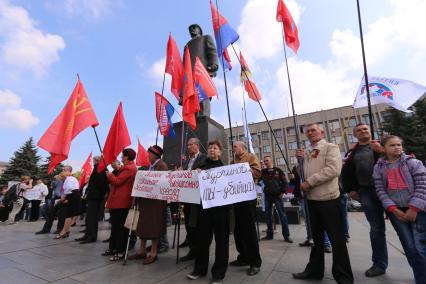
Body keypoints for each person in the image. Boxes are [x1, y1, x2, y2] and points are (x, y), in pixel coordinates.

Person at [293, 123, 353, 283]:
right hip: (312, 201)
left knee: (337, 240)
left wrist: (310, 182)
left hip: (329, 200)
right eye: (308, 131)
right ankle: (314, 270)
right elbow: (303, 175)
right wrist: (300, 161)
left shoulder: (330, 147)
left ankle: (343, 276)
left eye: (314, 130)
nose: (310, 132)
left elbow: (334, 169)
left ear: (322, 132)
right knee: (316, 240)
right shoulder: (307, 153)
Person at [373, 135, 426, 284]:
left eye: (399, 145)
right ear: (383, 149)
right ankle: (420, 277)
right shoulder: (379, 167)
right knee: (409, 248)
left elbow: (422, 186)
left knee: (421, 247)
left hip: (418, 211)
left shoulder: (413, 163)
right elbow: (380, 190)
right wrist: (393, 209)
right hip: (397, 212)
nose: (397, 147)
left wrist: (414, 208)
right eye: (392, 145)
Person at [341, 123, 388, 277]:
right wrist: (351, 189)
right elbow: (346, 172)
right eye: (359, 130)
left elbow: (397, 161)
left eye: (365, 129)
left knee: (403, 228)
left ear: (370, 131)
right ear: (355, 134)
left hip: (389, 192)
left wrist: (381, 152)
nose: (362, 131)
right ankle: (379, 264)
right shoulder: (352, 152)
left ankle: (419, 265)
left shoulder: (383, 146)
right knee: (376, 229)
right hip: (366, 192)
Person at [187, 140, 230, 284]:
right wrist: (196, 174)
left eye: (215, 148)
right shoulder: (201, 166)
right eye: (210, 147)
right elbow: (192, 184)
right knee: (202, 240)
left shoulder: (226, 169)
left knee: (222, 242)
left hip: (221, 211)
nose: (212, 150)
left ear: (220, 152)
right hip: (204, 209)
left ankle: (218, 274)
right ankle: (200, 268)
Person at [128, 145, 167, 265]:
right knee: (143, 226)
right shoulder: (149, 167)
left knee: (154, 227)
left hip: (156, 203)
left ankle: (154, 253)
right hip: (145, 201)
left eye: (149, 153)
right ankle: (142, 251)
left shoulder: (162, 166)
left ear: (155, 154)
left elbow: (161, 183)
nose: (147, 155)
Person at [229, 141, 262, 276]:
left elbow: (257, 173)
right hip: (235, 198)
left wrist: (244, 169)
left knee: (248, 229)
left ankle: (255, 262)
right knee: (237, 229)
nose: (233, 149)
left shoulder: (251, 157)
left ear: (242, 148)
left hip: (247, 197)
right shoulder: (232, 162)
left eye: (235, 147)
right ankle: (243, 257)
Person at [103, 149, 137, 261]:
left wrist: (109, 175)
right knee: (116, 227)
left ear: (127, 157)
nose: (121, 157)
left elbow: (117, 181)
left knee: (119, 229)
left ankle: (120, 251)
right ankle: (113, 248)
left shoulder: (128, 168)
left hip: (121, 202)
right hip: (119, 201)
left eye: (123, 155)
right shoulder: (127, 167)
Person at [180, 24, 218, 117]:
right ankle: (192, 119)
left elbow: (212, 51)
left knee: (203, 96)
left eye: (194, 28)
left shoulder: (205, 38)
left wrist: (213, 64)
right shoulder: (187, 46)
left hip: (201, 72)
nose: (192, 30)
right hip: (189, 76)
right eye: (190, 29)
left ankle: (203, 116)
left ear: (199, 30)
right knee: (191, 98)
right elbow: (184, 63)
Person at [180, 137, 207, 261]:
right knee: (188, 224)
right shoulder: (186, 162)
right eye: (188, 145)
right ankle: (192, 249)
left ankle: (198, 250)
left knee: (197, 225)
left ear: (197, 146)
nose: (188, 147)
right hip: (187, 197)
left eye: (191, 144)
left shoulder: (204, 158)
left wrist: (200, 171)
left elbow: (207, 173)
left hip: (198, 198)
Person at [75, 156, 109, 244]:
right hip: (92, 196)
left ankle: (92, 236)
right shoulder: (96, 169)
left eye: (94, 160)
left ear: (97, 161)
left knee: (92, 218)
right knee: (89, 218)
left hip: (96, 197)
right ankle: (87, 235)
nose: (92, 161)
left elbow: (102, 184)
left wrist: (99, 194)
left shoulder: (100, 169)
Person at [260, 155, 293, 243]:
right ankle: (269, 235)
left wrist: (282, 192)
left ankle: (286, 236)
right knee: (268, 215)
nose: (265, 162)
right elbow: (258, 181)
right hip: (268, 196)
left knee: (282, 215)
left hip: (277, 196)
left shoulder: (278, 171)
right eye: (264, 161)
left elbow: (285, 182)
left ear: (271, 161)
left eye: (267, 160)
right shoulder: (263, 172)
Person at [54, 166, 81, 239]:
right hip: (72, 196)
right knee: (68, 215)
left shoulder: (70, 178)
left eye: (64, 170)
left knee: (68, 216)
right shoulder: (68, 179)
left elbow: (69, 189)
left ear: (69, 171)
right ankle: (66, 231)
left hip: (73, 196)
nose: (62, 171)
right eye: (62, 169)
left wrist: (64, 197)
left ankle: (63, 232)